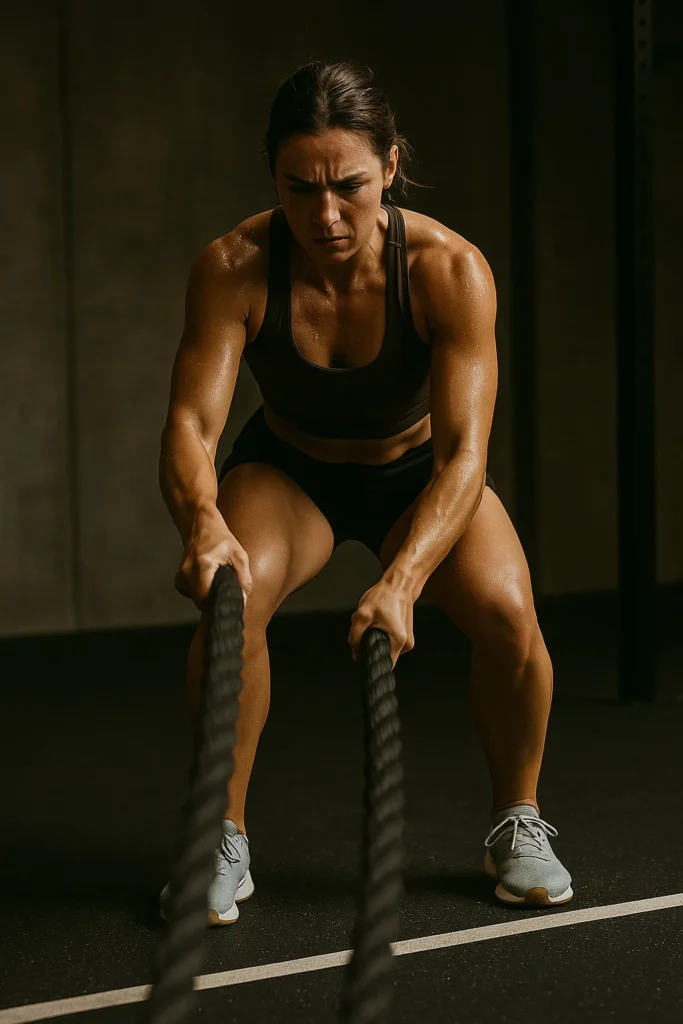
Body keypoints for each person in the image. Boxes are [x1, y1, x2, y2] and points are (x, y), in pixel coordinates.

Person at [159, 60, 572, 926]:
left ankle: (518, 818)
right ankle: (218, 835)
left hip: (420, 474)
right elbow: (192, 427)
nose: (324, 215)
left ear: (388, 165)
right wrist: (202, 524)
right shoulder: (234, 266)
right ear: (271, 173)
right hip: (290, 470)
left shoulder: (448, 269)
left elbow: (463, 455)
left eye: (347, 186)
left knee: (507, 614)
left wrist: (403, 581)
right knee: (233, 602)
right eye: (299, 188)